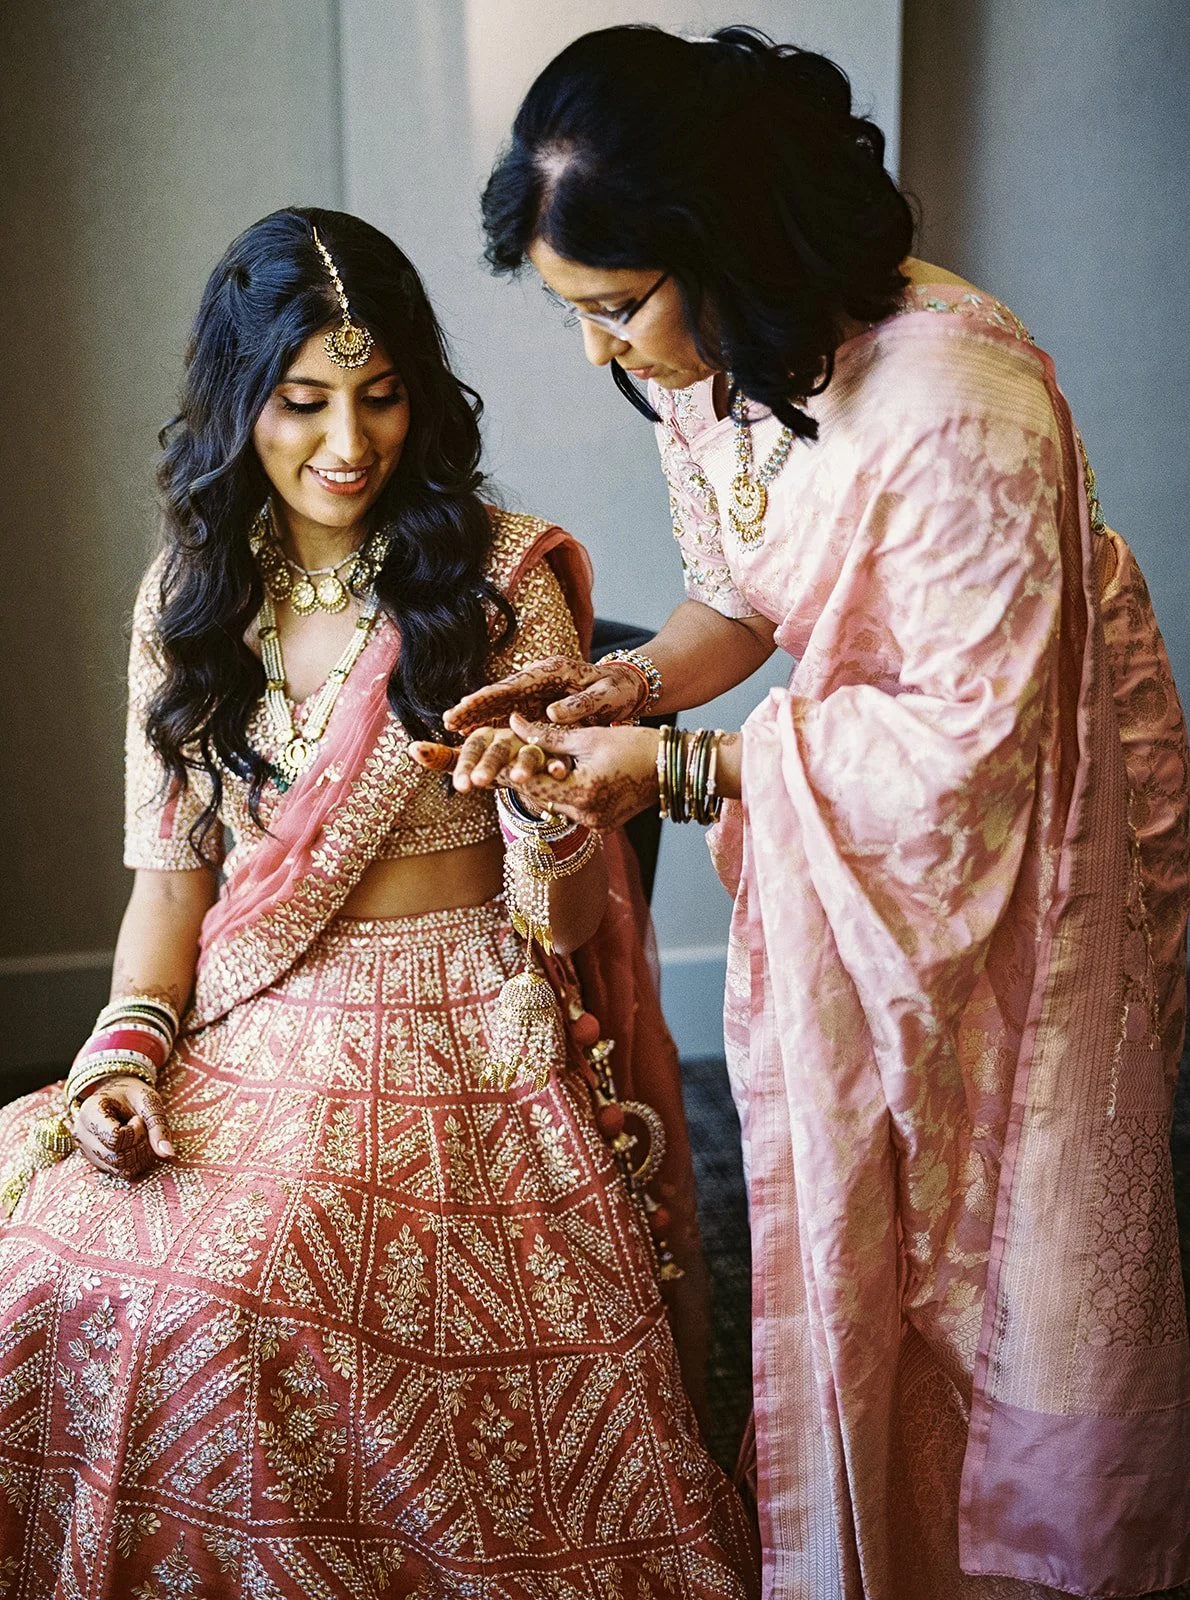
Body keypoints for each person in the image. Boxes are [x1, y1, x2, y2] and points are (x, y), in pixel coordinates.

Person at [419, 26, 1190, 1600]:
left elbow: (970, 759)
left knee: (1009, 1238)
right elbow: (741, 594)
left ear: (719, 243)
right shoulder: (728, 366)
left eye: (614, 308)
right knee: (860, 1247)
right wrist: (622, 696)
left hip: (1014, 856)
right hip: (865, 816)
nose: (598, 355)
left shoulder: (958, 404)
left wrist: (690, 774)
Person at [0, 207, 758, 1597]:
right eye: (301, 403)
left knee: (237, 1287)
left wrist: (545, 812)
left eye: (381, 395)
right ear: (241, 405)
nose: (347, 442)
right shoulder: (185, 597)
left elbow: (568, 930)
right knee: (38, 1267)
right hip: (251, 1012)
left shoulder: (493, 582)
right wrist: (123, 1055)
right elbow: (169, 893)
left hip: (463, 1017)